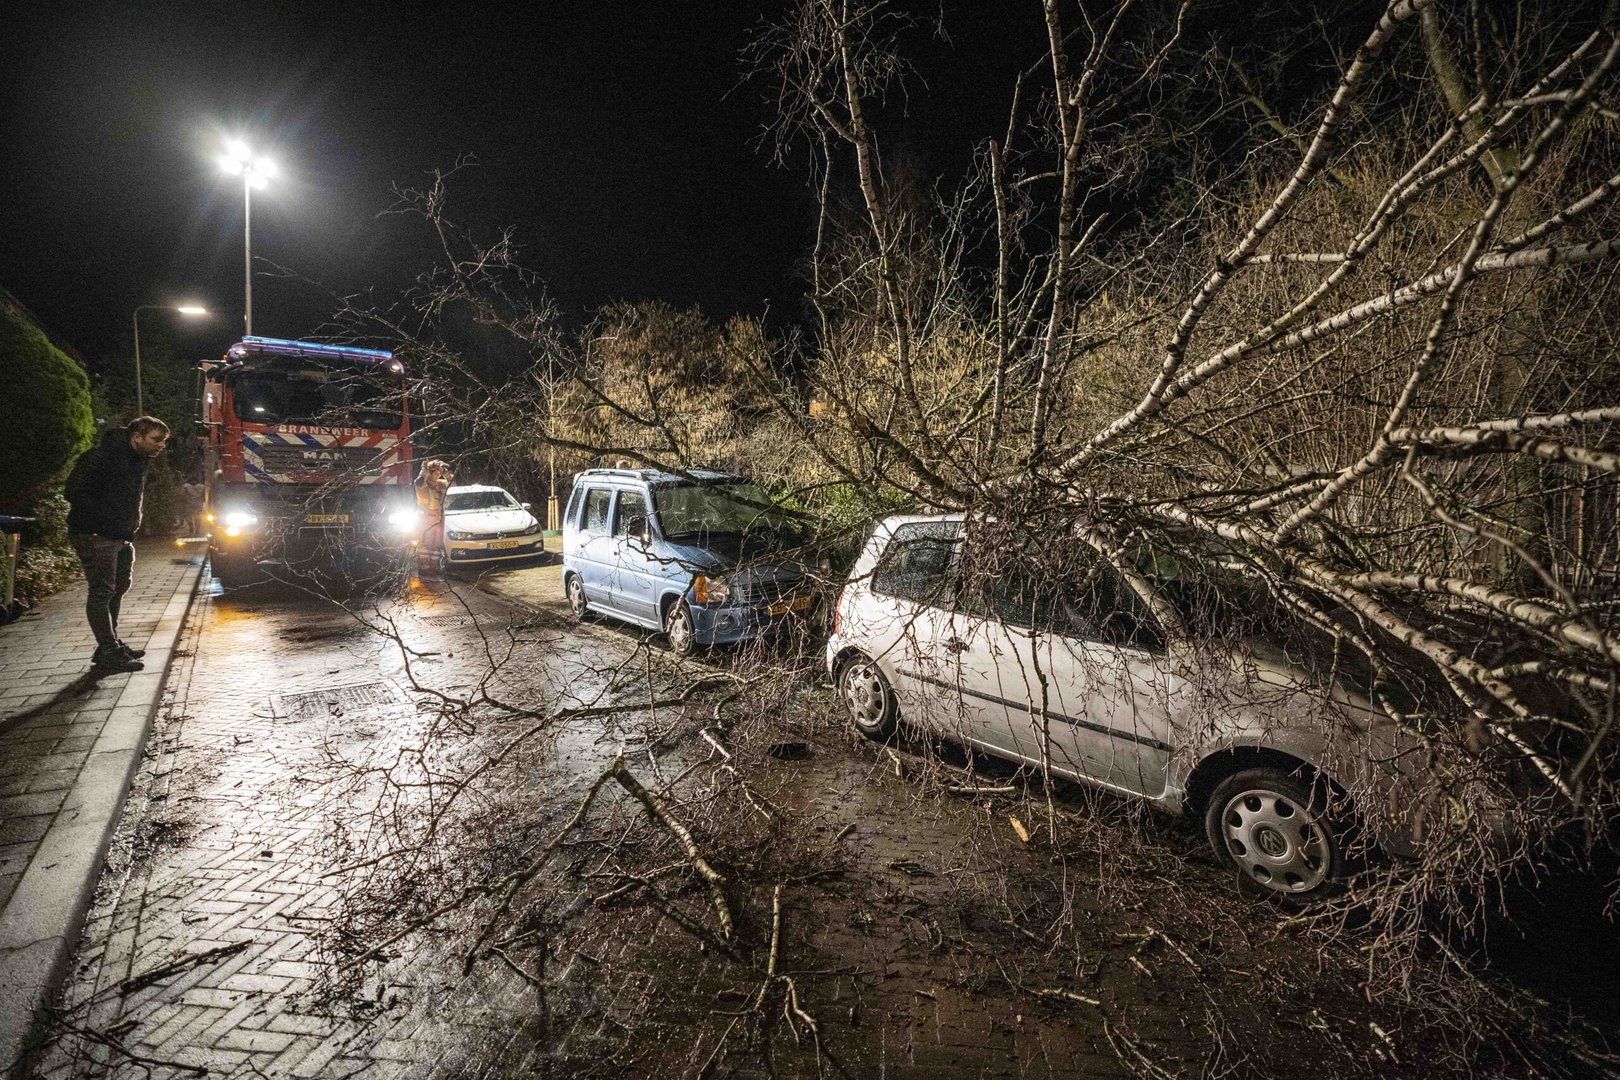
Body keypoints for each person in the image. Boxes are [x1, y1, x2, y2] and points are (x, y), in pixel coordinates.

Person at [64, 416, 170, 673]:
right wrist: (109, 521)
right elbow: (74, 492)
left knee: (119, 587)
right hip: (95, 535)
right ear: (137, 437)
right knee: (102, 592)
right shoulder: (100, 457)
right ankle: (109, 650)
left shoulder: (139, 461)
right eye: (156, 440)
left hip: (121, 535)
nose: (161, 446)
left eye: (164, 441)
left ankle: (109, 644)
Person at [414, 458, 453, 576]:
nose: (438, 473)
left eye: (439, 471)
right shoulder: (423, 485)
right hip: (426, 517)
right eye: (435, 471)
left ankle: (434, 566)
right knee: (426, 544)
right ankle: (424, 567)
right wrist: (424, 470)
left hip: (438, 517)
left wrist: (445, 471)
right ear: (429, 472)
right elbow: (419, 482)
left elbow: (452, 482)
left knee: (437, 544)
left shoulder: (441, 484)